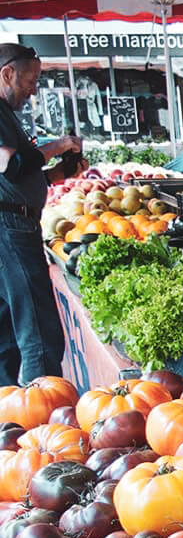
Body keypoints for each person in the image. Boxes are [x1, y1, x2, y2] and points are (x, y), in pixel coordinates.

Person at [0, 43, 83, 386]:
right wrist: (61, 145)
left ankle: (10, 421)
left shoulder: (7, 114)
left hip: (12, 223)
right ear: (7, 74)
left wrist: (57, 176)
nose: (34, 89)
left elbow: (18, 175)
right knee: (39, 332)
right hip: (11, 228)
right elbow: (10, 164)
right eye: (30, 81)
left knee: (9, 330)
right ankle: (45, 424)